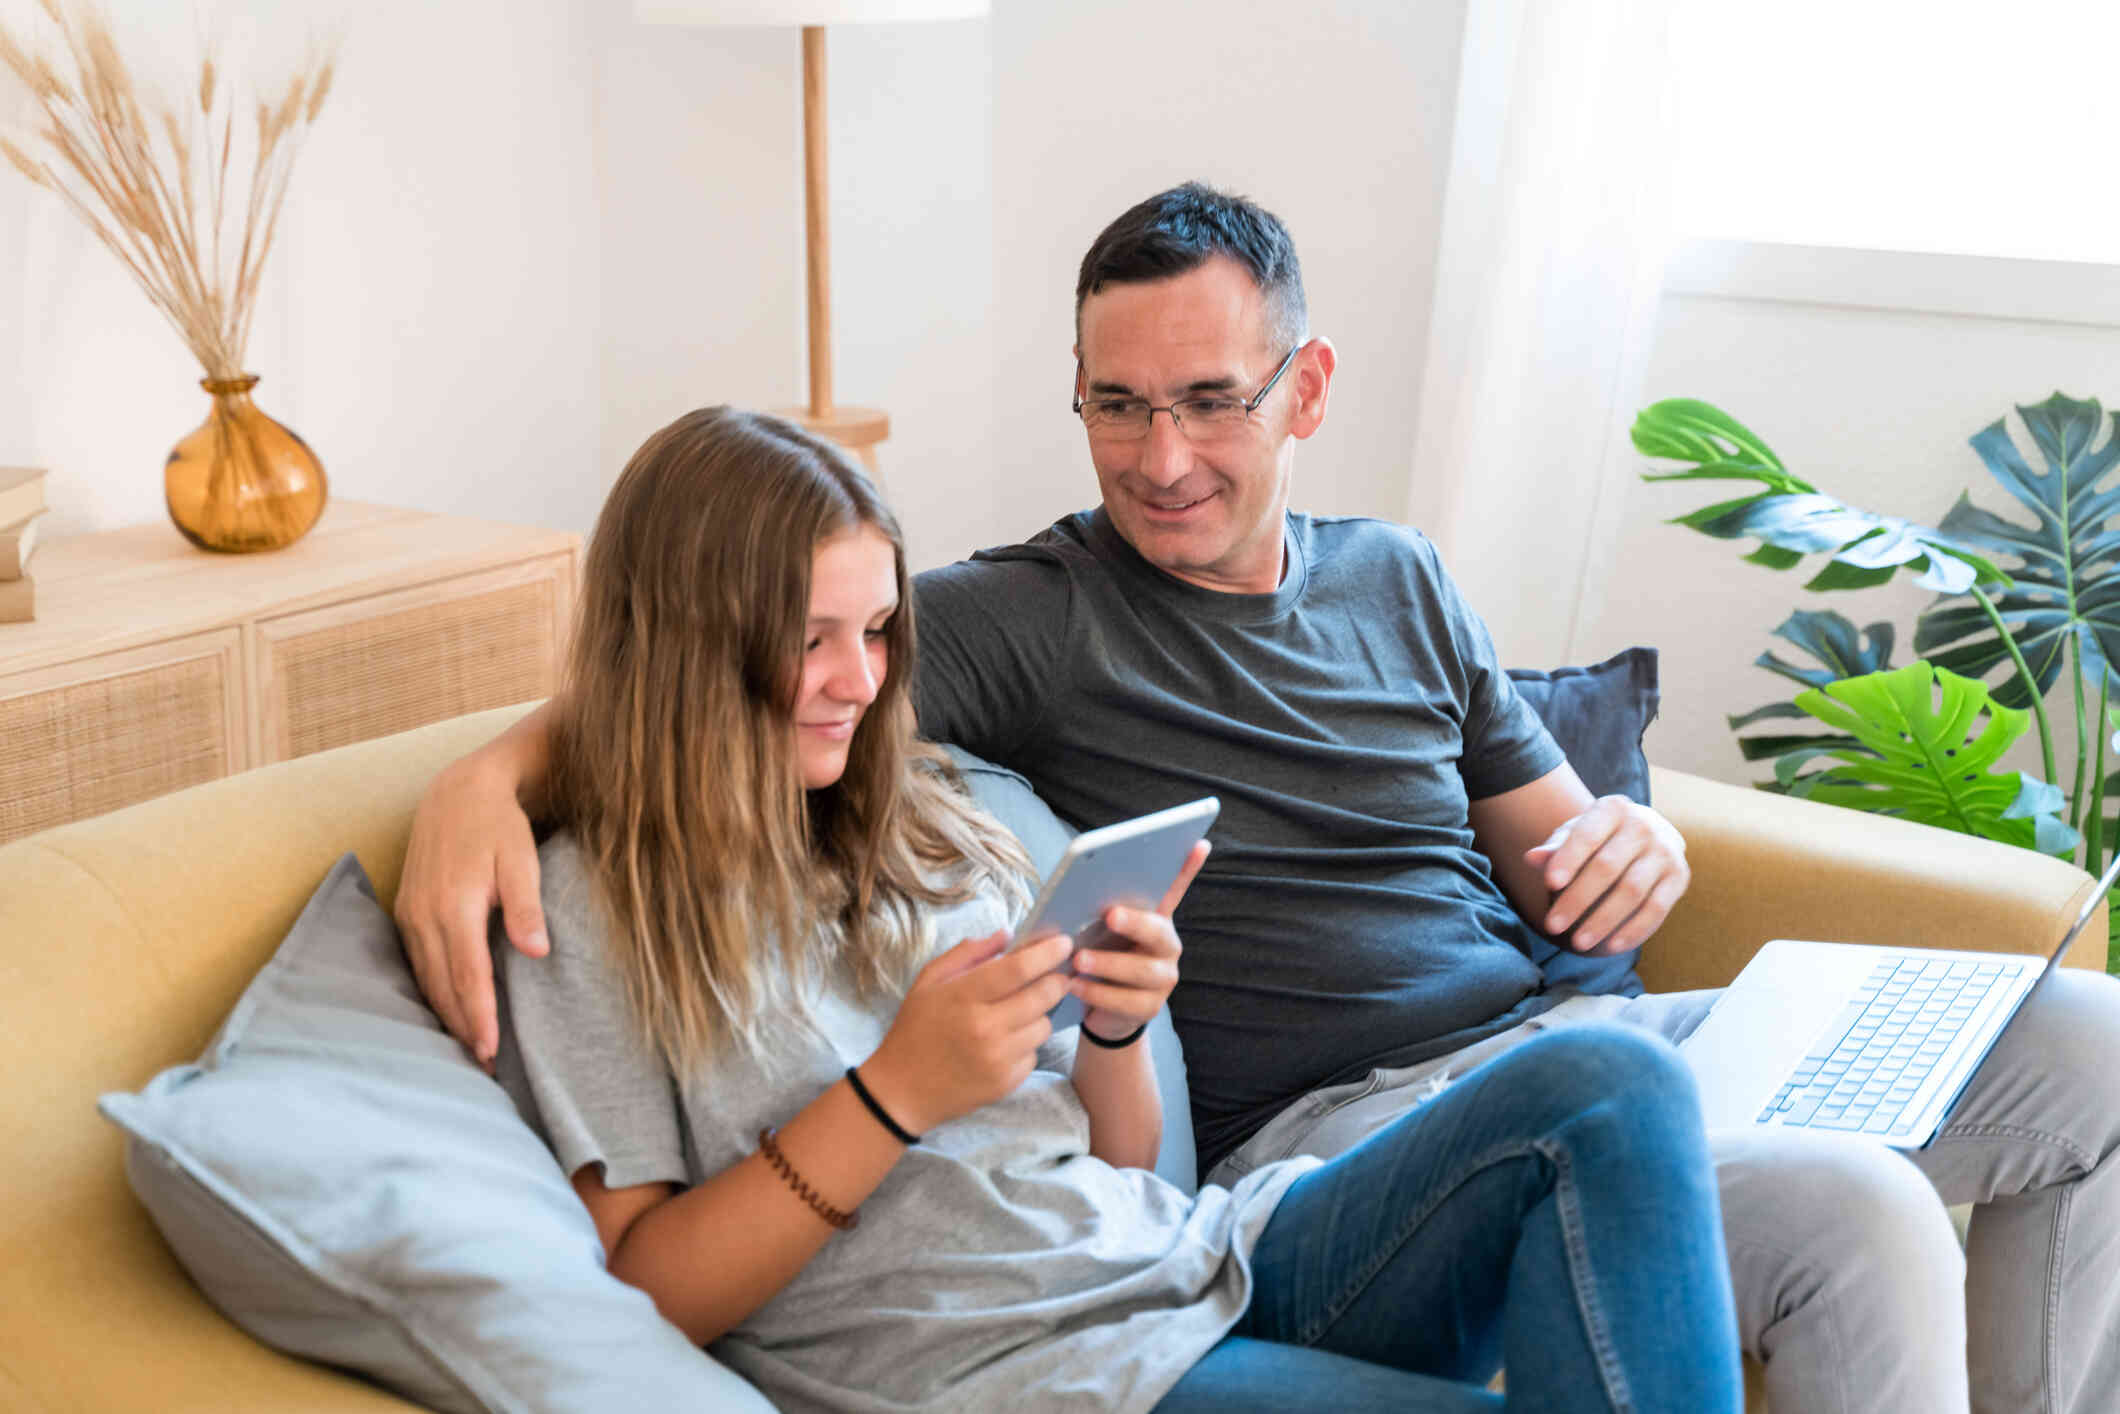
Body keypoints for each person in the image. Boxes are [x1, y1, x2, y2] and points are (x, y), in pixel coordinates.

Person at [400, 185, 2120, 1414]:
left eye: (1210, 400)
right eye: (1119, 404)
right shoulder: (1020, 627)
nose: (1160, 455)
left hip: (1262, 1206)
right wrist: (489, 772)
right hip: (1307, 1174)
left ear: (1304, 389)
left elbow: (1126, 1153)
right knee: (1816, 1182)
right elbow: (685, 692)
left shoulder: (1366, 596)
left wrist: (1641, 834)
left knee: (2087, 1041)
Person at [490, 403, 1742, 1412]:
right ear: (684, 638)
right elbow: (640, 1298)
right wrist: (892, 1097)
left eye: (875, 631)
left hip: (1190, 1261)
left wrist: (1114, 1029)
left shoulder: (926, 825)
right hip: (1014, 1371)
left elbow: (1115, 1166)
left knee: (1610, 1083)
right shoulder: (590, 905)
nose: (857, 682)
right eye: (811, 638)